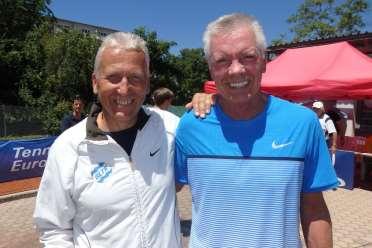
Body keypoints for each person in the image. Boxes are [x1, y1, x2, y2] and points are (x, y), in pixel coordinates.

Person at [174, 13, 338, 248]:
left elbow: (313, 209)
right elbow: (162, 192)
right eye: (222, 61)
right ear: (211, 69)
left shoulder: (302, 123)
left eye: (247, 57)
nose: (235, 70)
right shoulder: (191, 125)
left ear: (264, 61)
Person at [34, 32, 181, 247]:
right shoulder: (68, 148)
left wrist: (207, 100)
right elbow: (53, 229)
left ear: (147, 84)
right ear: (95, 82)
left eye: (135, 78)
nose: (124, 88)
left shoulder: (170, 127)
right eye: (113, 77)